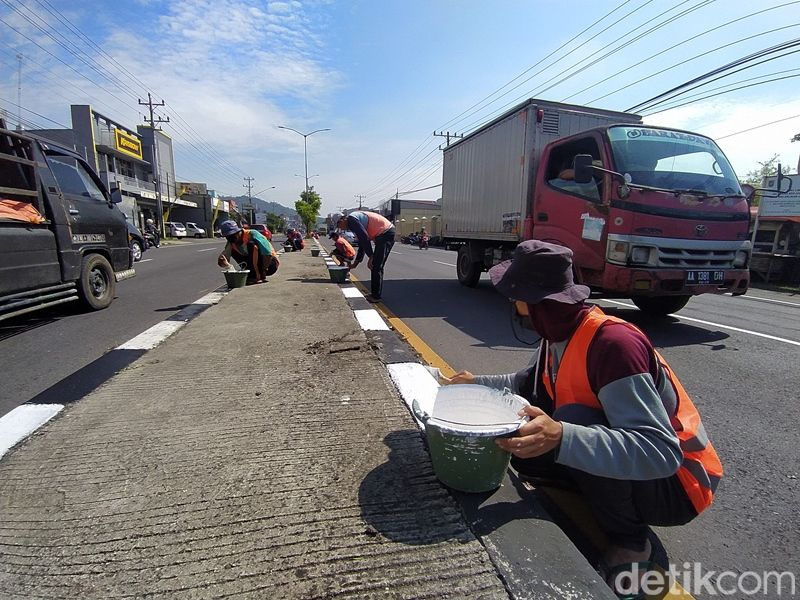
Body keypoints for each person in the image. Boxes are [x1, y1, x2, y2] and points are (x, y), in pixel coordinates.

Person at [441, 240, 722, 598]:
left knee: (571, 421)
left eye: (516, 295)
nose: (512, 302)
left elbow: (660, 452)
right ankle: (594, 487)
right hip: (652, 472)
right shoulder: (558, 334)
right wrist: (474, 383)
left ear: (538, 301)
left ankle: (632, 544)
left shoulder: (613, 346)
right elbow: (524, 384)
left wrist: (563, 436)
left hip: (678, 486)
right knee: (528, 436)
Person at [333, 210, 395, 303]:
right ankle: (374, 294)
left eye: (338, 225)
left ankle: (376, 296)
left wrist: (371, 256)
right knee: (375, 265)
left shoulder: (352, 220)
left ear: (342, 220)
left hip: (386, 232)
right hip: (382, 234)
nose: (340, 228)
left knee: (376, 265)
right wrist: (355, 264)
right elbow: (362, 243)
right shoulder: (352, 223)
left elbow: (364, 238)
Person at [217, 220, 279, 284]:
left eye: (232, 235)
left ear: (238, 231)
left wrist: (262, 271)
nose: (230, 238)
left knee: (251, 245)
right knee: (233, 251)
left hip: (270, 264)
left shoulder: (252, 234)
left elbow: (267, 254)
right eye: (227, 237)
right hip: (254, 266)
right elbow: (224, 258)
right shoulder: (231, 242)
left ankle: (257, 276)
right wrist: (225, 263)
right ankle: (251, 274)